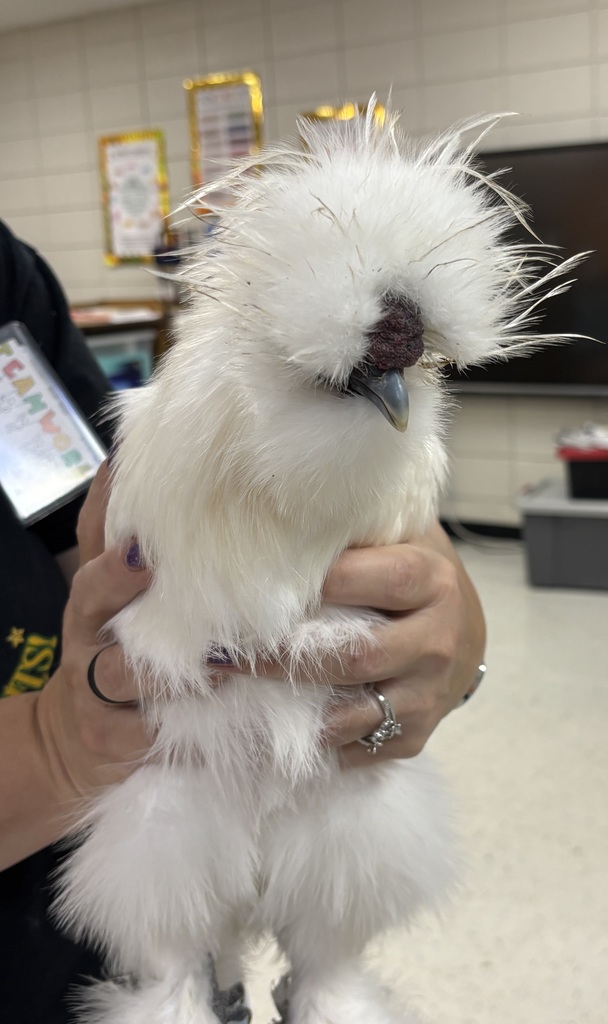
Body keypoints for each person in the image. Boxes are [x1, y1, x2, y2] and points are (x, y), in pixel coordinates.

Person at [0, 219, 486, 1022]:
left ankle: (317, 976)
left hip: (110, 876)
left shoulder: (7, 279)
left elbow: (72, 513)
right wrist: (56, 746)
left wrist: (441, 625)